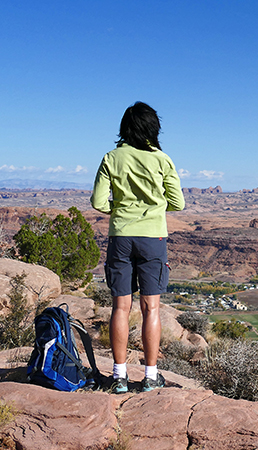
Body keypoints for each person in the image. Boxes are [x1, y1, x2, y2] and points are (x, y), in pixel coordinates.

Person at [91, 101, 185, 393]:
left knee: (120, 306)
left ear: (125, 128)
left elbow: (97, 202)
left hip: (120, 237)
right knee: (151, 308)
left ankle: (118, 377)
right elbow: (178, 202)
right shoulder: (162, 159)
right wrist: (153, 208)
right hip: (153, 238)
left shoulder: (111, 157)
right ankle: (150, 376)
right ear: (153, 128)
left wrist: (121, 211)